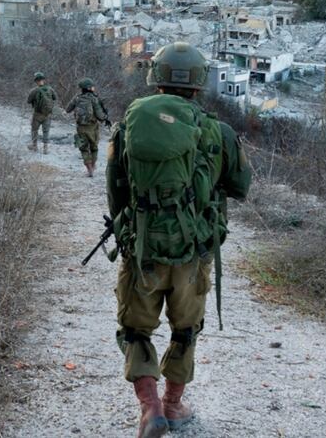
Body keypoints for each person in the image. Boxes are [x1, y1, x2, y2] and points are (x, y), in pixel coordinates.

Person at [105, 42, 251, 438]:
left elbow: (116, 193)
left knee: (135, 329)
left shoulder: (128, 127)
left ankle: (149, 408)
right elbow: (240, 187)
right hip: (193, 252)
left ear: (155, 79)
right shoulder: (219, 131)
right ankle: (172, 403)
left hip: (143, 251)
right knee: (185, 329)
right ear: (199, 84)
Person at [65, 77, 111, 177]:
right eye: (92, 86)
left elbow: (68, 109)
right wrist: (105, 117)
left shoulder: (77, 98)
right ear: (89, 88)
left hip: (80, 127)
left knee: (84, 148)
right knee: (94, 147)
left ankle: (89, 168)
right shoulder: (94, 99)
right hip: (92, 127)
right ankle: (93, 166)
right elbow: (100, 115)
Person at [26, 71, 57, 154]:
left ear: (36, 81)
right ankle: (45, 148)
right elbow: (55, 98)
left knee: (34, 129)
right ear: (44, 80)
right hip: (48, 114)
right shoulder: (50, 89)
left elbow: (28, 101)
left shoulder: (34, 90)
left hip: (37, 114)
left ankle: (34, 146)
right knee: (46, 131)